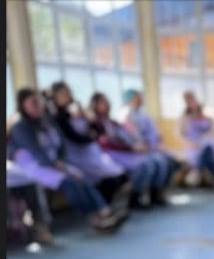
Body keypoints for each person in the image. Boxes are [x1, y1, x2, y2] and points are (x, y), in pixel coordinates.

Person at [9, 88, 124, 231]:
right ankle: (94, 218)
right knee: (71, 183)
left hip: (56, 161)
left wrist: (61, 160)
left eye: (39, 102)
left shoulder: (47, 120)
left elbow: (60, 143)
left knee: (82, 178)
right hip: (38, 166)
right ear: (23, 105)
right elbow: (35, 151)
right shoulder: (20, 127)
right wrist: (54, 163)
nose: (38, 105)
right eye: (33, 103)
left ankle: (104, 211)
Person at [49, 81, 131, 212]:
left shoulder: (76, 112)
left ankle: (106, 208)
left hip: (90, 154)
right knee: (102, 178)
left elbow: (97, 130)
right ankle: (102, 209)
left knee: (119, 175)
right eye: (64, 93)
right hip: (75, 157)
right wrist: (90, 136)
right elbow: (76, 137)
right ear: (55, 96)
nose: (68, 95)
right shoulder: (58, 117)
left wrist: (88, 120)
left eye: (68, 92)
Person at [90, 92, 170, 208]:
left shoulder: (113, 122)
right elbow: (105, 143)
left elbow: (125, 138)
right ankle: (134, 198)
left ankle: (154, 196)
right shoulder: (95, 123)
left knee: (156, 162)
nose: (105, 105)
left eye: (106, 102)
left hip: (126, 151)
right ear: (94, 105)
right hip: (110, 154)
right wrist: (131, 147)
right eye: (101, 102)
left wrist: (135, 146)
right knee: (145, 164)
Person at [120, 88, 180, 193]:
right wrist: (149, 145)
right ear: (129, 100)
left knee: (173, 160)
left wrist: (156, 143)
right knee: (159, 162)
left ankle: (159, 191)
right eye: (136, 98)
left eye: (140, 97)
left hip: (151, 147)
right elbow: (133, 137)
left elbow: (154, 133)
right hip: (138, 150)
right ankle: (151, 192)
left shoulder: (144, 115)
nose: (139, 100)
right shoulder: (127, 116)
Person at [179, 91, 214, 192]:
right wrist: (191, 143)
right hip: (193, 146)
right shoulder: (186, 119)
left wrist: (205, 138)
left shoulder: (209, 118)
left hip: (208, 143)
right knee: (208, 157)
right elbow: (182, 135)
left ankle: (196, 171)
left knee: (207, 147)